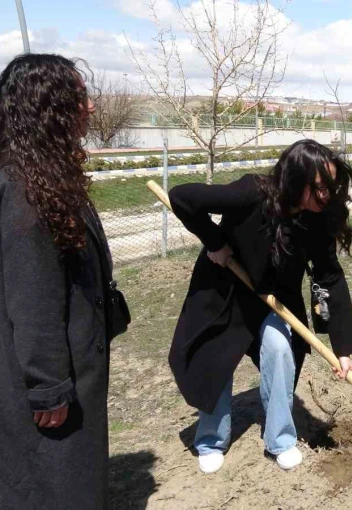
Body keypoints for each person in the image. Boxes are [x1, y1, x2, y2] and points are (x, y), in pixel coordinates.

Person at [168, 139, 352, 474]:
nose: (326, 196)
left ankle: (281, 439)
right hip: (226, 291)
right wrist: (215, 242)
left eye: (330, 188)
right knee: (216, 359)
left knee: (281, 350)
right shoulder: (252, 191)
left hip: (273, 300)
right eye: (318, 188)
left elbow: (330, 278)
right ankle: (211, 440)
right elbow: (183, 196)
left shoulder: (317, 218)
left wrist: (343, 349)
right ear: (296, 180)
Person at [0, 54, 117, 508]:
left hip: (75, 360)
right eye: (80, 97)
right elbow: (33, 297)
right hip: (50, 374)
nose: (89, 107)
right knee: (57, 480)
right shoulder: (23, 190)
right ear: (49, 107)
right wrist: (48, 386)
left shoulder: (44, 173)